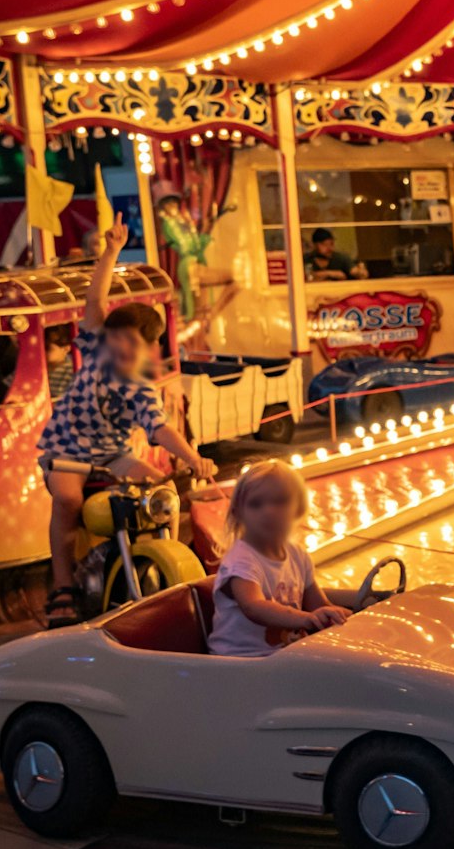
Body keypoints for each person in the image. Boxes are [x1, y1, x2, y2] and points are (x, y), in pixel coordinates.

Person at [37, 222, 216, 622]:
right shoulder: (96, 348)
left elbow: (159, 427)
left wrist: (192, 457)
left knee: (161, 488)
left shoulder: (141, 387)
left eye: (132, 341)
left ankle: (159, 551)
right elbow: (95, 301)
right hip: (67, 446)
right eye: (117, 337)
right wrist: (111, 252)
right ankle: (62, 586)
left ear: (148, 348)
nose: (120, 345)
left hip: (112, 452)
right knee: (67, 499)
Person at [208, 461, 363, 657]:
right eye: (256, 504)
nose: (268, 511)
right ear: (239, 513)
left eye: (280, 502)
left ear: (297, 509)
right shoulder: (241, 560)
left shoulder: (298, 556)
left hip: (283, 657)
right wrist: (307, 619)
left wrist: (351, 618)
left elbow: (318, 605)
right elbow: (253, 606)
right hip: (240, 660)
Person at [43, 323, 75, 399]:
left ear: (66, 349)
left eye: (47, 348)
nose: (41, 351)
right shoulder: (33, 365)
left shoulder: (73, 372)